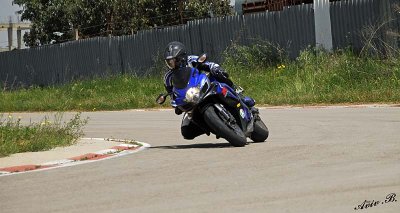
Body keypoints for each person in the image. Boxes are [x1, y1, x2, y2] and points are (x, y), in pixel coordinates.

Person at [163, 41, 255, 140]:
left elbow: (209, 64)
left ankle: (236, 92)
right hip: (191, 99)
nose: (171, 64)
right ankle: (213, 126)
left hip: (205, 86)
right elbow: (172, 94)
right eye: (169, 62)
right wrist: (177, 105)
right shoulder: (168, 77)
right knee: (186, 132)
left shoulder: (191, 60)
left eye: (173, 61)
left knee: (219, 74)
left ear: (181, 57)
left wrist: (216, 68)